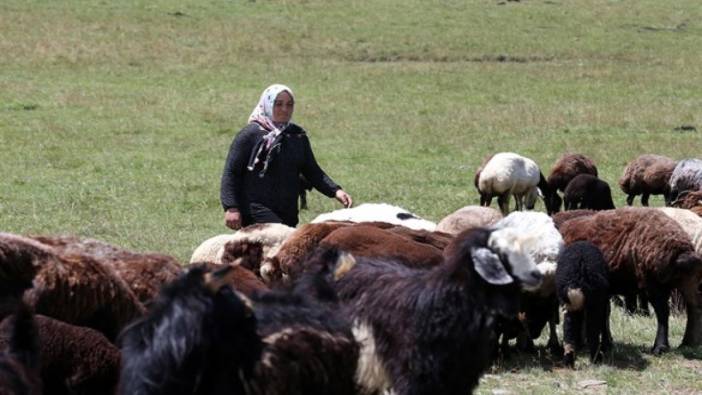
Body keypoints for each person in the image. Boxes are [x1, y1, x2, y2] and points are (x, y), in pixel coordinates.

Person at [220, 84, 352, 230]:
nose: (284, 109)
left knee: (284, 248)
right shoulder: (250, 135)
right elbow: (231, 172)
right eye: (278, 104)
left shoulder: (297, 136)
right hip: (255, 209)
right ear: (267, 105)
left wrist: (335, 191)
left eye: (289, 105)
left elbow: (312, 170)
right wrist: (231, 207)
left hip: (287, 210)